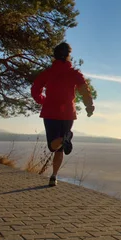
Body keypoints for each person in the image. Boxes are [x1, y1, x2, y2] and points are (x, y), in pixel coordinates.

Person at [31, 42, 95, 187]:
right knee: (59, 148)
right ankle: (54, 176)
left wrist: (43, 100)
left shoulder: (48, 72)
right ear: (68, 56)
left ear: (54, 56)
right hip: (68, 113)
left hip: (50, 112)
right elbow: (84, 90)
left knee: (53, 146)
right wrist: (89, 106)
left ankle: (64, 139)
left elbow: (35, 89)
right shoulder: (74, 73)